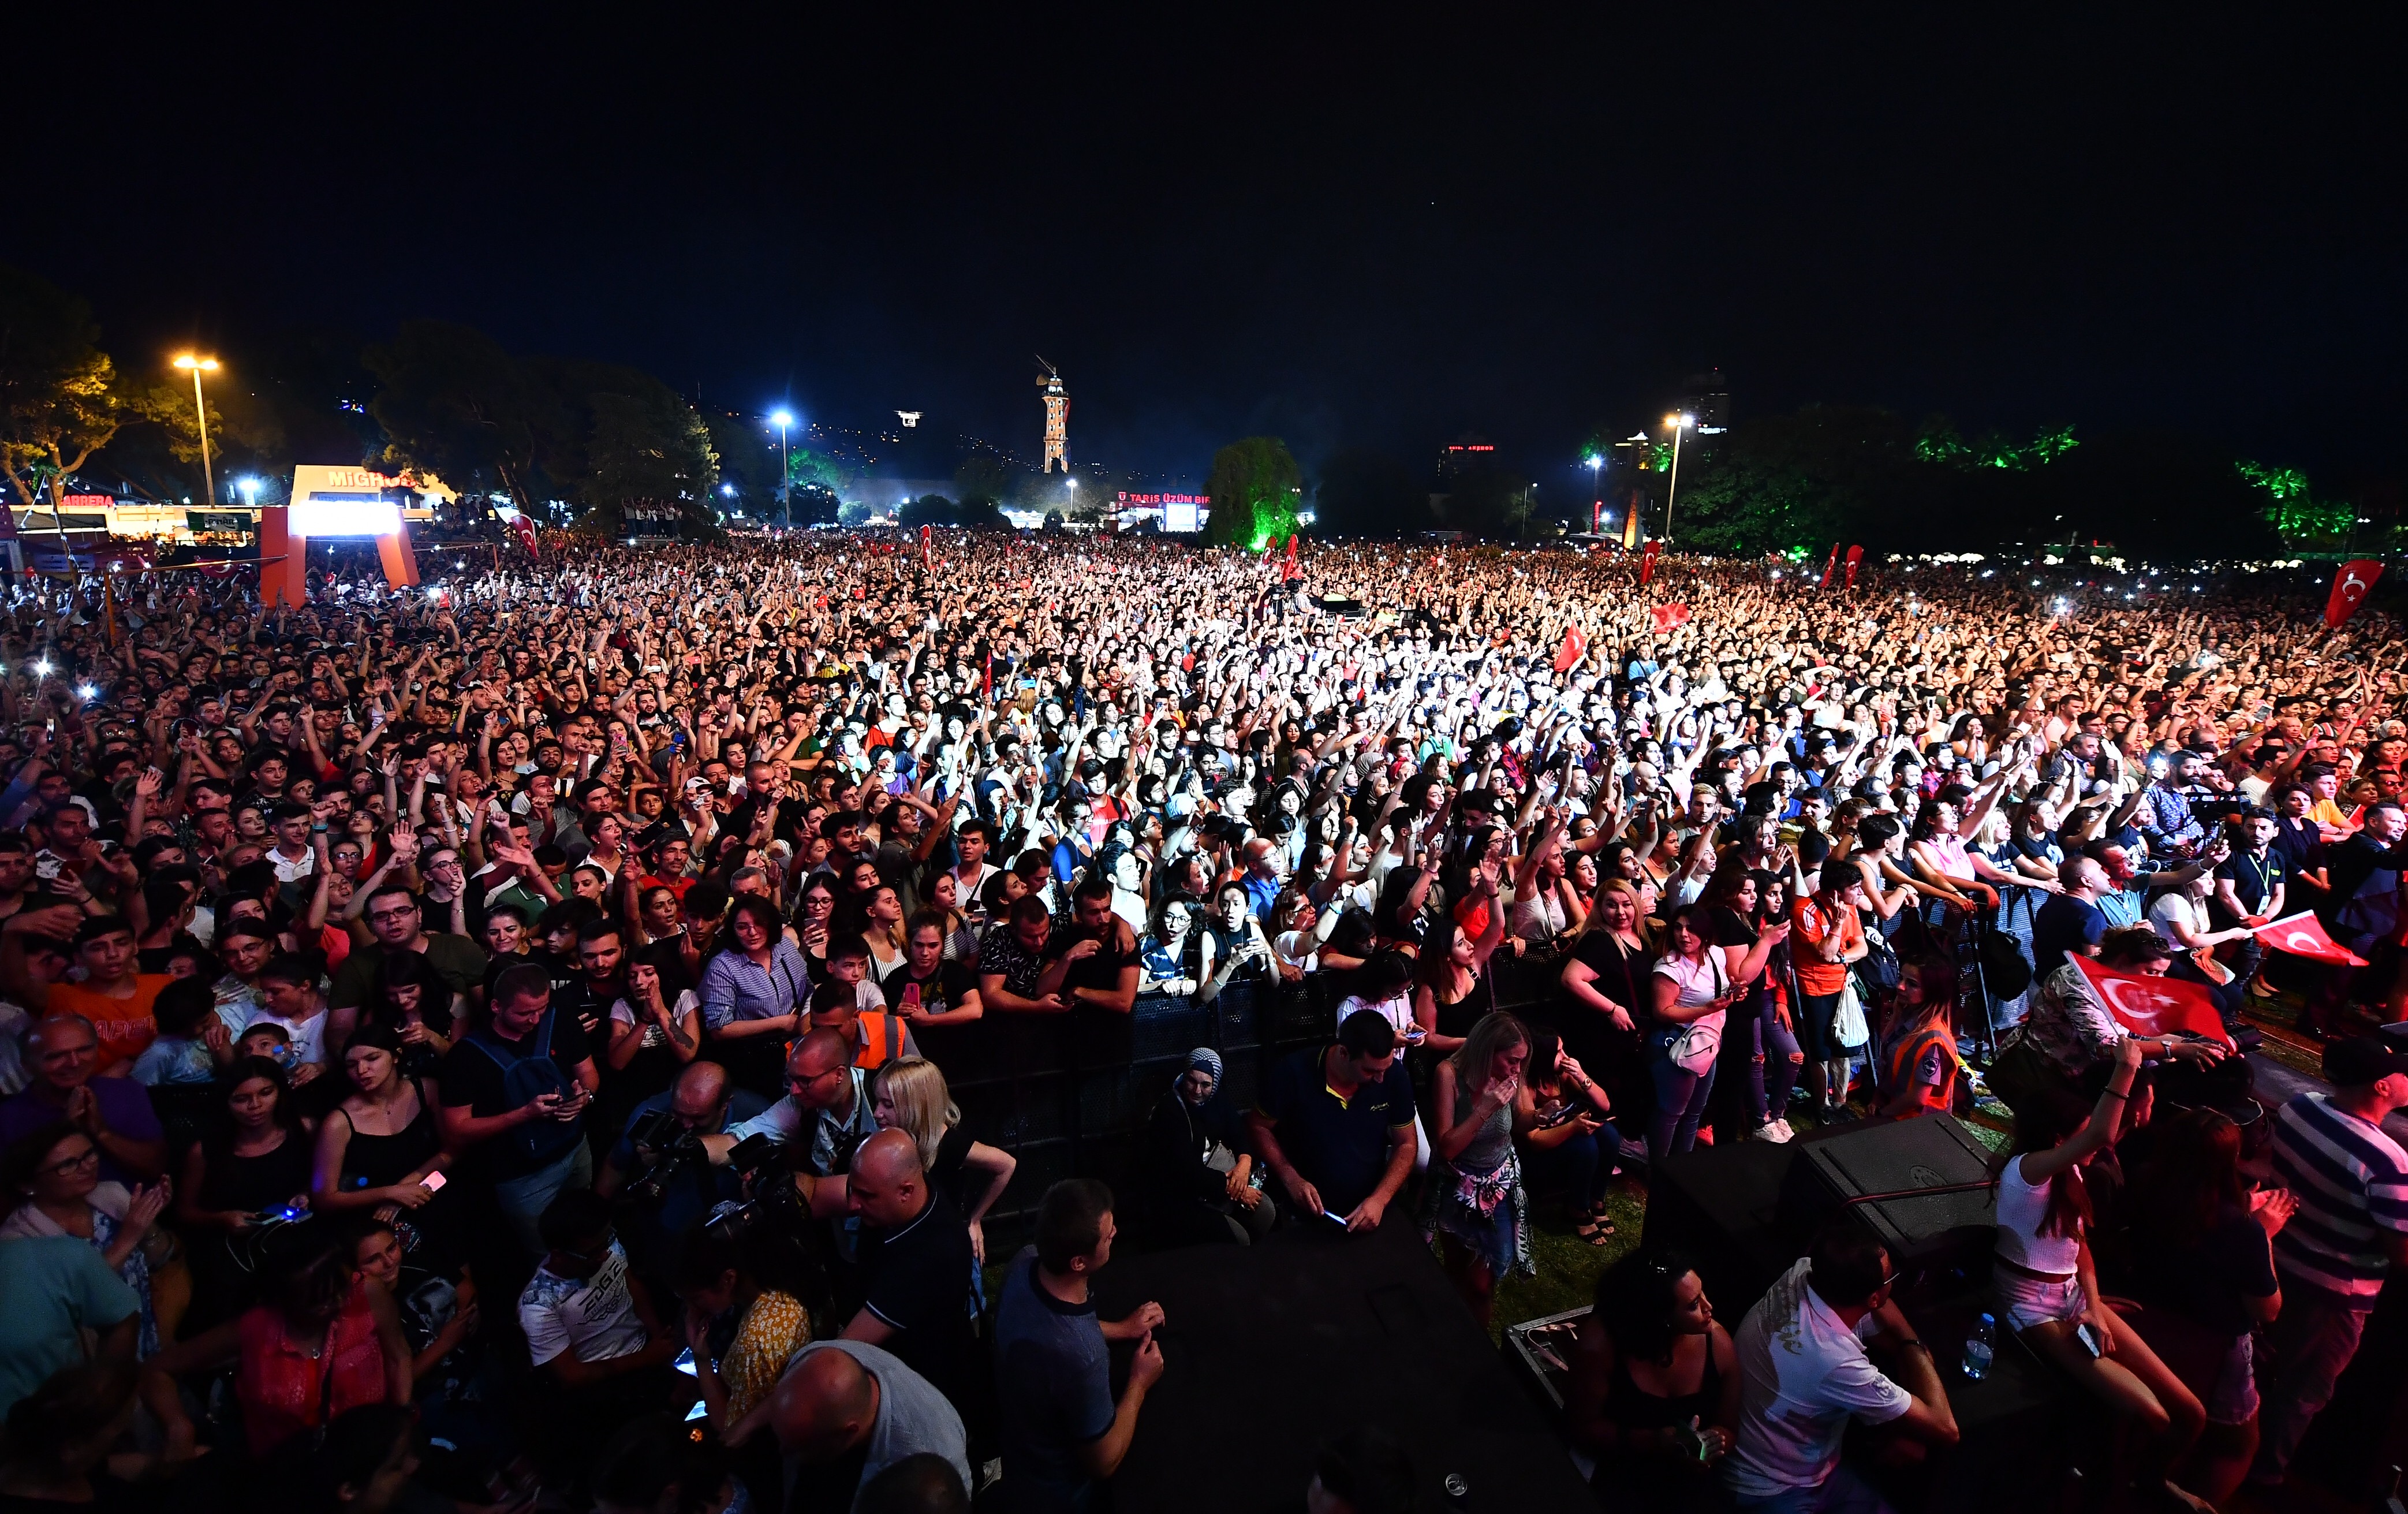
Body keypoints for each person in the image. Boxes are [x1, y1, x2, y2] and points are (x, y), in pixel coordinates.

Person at [1993, 1042, 2211, 1506]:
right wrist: (2127, 1067)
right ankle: (2116, 1490)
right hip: (2032, 1310)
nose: (2100, 1144)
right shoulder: (2025, 1172)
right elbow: (2100, 1134)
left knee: (2191, 1413)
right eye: (2080, 1134)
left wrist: (2092, 1305)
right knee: (2153, 1416)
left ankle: (2152, 1481)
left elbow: (2079, 1249)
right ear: (2058, 1139)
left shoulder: (2069, 1171)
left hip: (2072, 1298)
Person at [2248, 1035, 2408, 1488]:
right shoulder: (2388, 1161)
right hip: (2332, 1295)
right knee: (2302, 1391)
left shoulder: (2300, 1108)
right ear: (2380, 1087)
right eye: (2400, 1072)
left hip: (2276, 1263)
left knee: (2261, 1364)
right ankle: (2264, 1478)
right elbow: (2402, 1255)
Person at [1722, 1221, 1959, 1511]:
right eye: (1889, 1279)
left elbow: (1891, 1331)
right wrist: (1914, 1346)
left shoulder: (1805, 1273)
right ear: (1873, 1297)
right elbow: (1946, 1429)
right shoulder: (1834, 1359)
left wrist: (1908, 1347)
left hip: (1806, 1469)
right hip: (1772, 1488)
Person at [2130, 1107, 2290, 1505]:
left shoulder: (2142, 1180)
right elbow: (2266, 1310)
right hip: (2215, 1345)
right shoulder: (2241, 1229)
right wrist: (2264, 1234)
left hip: (2145, 1326)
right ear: (2230, 1161)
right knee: (2236, 1445)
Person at [140, 1226, 413, 1460]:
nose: (339, 1303)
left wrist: (400, 1422)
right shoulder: (255, 1328)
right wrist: (178, 1426)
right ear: (286, 1298)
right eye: (320, 1300)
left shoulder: (366, 1291)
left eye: (340, 1289)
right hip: (285, 1470)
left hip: (364, 1457)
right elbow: (157, 1369)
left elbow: (397, 1356)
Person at [991, 1179, 1166, 1514]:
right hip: (1060, 1497)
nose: (1115, 1233)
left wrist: (1121, 1329)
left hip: (1017, 1455)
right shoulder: (1083, 1356)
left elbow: (1051, 1330)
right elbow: (1103, 1462)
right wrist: (1139, 1384)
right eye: (1108, 1234)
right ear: (1079, 1263)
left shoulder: (1023, 1264)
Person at [518, 1187, 683, 1486]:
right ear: (559, 1254)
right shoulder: (539, 1306)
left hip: (647, 1350)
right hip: (605, 1382)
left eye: (607, 1240)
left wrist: (659, 1336)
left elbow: (632, 1285)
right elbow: (571, 1375)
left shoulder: (605, 1246)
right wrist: (649, 1358)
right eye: (593, 1252)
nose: (606, 1253)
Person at [437, 961, 600, 1258]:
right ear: (496, 1006)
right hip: (522, 1177)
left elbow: (588, 1072)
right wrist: (523, 1114)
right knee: (547, 1253)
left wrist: (584, 1097)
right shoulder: (466, 1056)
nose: (535, 1020)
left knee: (585, 1232)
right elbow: (456, 1129)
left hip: (576, 1150)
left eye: (542, 1009)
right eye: (524, 1013)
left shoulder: (560, 1018)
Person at [1563, 1249, 1741, 1512]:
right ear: (1660, 1317)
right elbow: (1581, 1427)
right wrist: (1654, 1442)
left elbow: (1728, 1425)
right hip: (1616, 1471)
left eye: (1702, 1294)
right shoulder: (1600, 1347)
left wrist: (1710, 1444)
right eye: (1693, 1305)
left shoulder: (1718, 1343)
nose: (1708, 1307)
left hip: (1685, 1485)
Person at [0, 1122, 170, 1358]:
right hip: (87, 1357)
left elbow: (160, 1262)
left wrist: (149, 1224)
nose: (87, 1167)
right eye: (68, 1164)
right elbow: (72, 1302)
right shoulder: (18, 1239)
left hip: (143, 1332)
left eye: (89, 1154)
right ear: (28, 1185)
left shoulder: (111, 1195)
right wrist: (128, 1237)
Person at [836, 1128, 977, 1411]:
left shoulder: (929, 1258)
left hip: (917, 1395)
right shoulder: (914, 1192)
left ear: (905, 1192)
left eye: (866, 1196)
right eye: (852, 1189)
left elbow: (844, 1350)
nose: (852, 1204)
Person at [1248, 1009, 1417, 1231]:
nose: (1380, 1078)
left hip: (1369, 1212)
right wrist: (1291, 1179)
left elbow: (1407, 1144)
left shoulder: (1393, 1075)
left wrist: (1380, 1200)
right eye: (1370, 1070)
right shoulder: (1294, 1072)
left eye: (1385, 1068)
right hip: (1302, 1215)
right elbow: (1258, 1126)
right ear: (1344, 1053)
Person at [595, 1059, 768, 1273]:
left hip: (734, 1234)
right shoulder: (649, 1113)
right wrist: (595, 1226)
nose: (686, 1125)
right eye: (679, 1113)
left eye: (698, 1117)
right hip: (669, 1235)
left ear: (726, 1104)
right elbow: (615, 1167)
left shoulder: (757, 1114)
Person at [768, 1341, 970, 1514]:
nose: (781, 1452)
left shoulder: (931, 1457)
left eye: (798, 1446)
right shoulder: (812, 1359)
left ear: (847, 1434)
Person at [1426, 1010, 1533, 1323]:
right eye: (1511, 1060)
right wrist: (1485, 1108)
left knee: (1482, 1283)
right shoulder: (1448, 1075)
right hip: (1455, 1187)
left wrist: (1539, 1117)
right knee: (1456, 1268)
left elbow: (1520, 1121)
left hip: (1497, 1185)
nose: (1516, 1069)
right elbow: (1447, 1148)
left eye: (1521, 1061)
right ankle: (1452, 1328)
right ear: (1487, 1051)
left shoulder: (1512, 1075)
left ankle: (1480, 1342)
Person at [672, 1226, 812, 1442]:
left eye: (696, 1298)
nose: (691, 1311)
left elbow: (728, 1428)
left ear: (728, 1279)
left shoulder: (754, 1341)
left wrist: (701, 1358)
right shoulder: (774, 1280)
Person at [869, 1056, 1016, 1262]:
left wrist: (975, 1220)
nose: (877, 1113)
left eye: (888, 1105)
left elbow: (1007, 1165)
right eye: (878, 1102)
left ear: (916, 1106)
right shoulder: (890, 1138)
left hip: (944, 1252)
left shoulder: (950, 1144)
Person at [0, 1013, 167, 1184]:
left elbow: (156, 1167)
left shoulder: (127, 1092)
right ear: (27, 1066)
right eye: (56, 1056)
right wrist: (65, 1130)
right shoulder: (8, 1117)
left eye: (83, 1050)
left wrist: (103, 1134)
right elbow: (12, 1190)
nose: (74, 1062)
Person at [1138, 1046, 1272, 1247]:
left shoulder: (1217, 1100)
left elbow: (1238, 1131)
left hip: (1220, 1181)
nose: (1197, 1090)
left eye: (1205, 1084)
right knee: (1237, 1239)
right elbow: (1186, 1171)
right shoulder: (1170, 1111)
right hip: (1186, 1197)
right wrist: (1236, 1189)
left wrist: (1245, 1162)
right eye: (1192, 1081)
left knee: (1265, 1212)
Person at [1646, 904, 1749, 1165]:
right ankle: (1661, 1168)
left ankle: (1684, 1166)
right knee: (1672, 1113)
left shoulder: (1716, 954)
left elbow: (1719, 988)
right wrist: (1704, 1009)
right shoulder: (1669, 966)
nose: (1684, 935)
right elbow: (1662, 1011)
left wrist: (1733, 994)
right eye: (1678, 928)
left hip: (1708, 1041)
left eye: (1691, 929)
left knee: (1695, 1112)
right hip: (1678, 1044)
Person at [1871, 954, 1962, 1121]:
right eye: (1901, 978)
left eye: (1912, 984)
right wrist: (1878, 1099)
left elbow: (1917, 1098)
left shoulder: (1932, 1041)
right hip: (1896, 1113)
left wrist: (1881, 1115)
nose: (1900, 986)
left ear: (1933, 992)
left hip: (1918, 1124)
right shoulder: (1906, 1019)